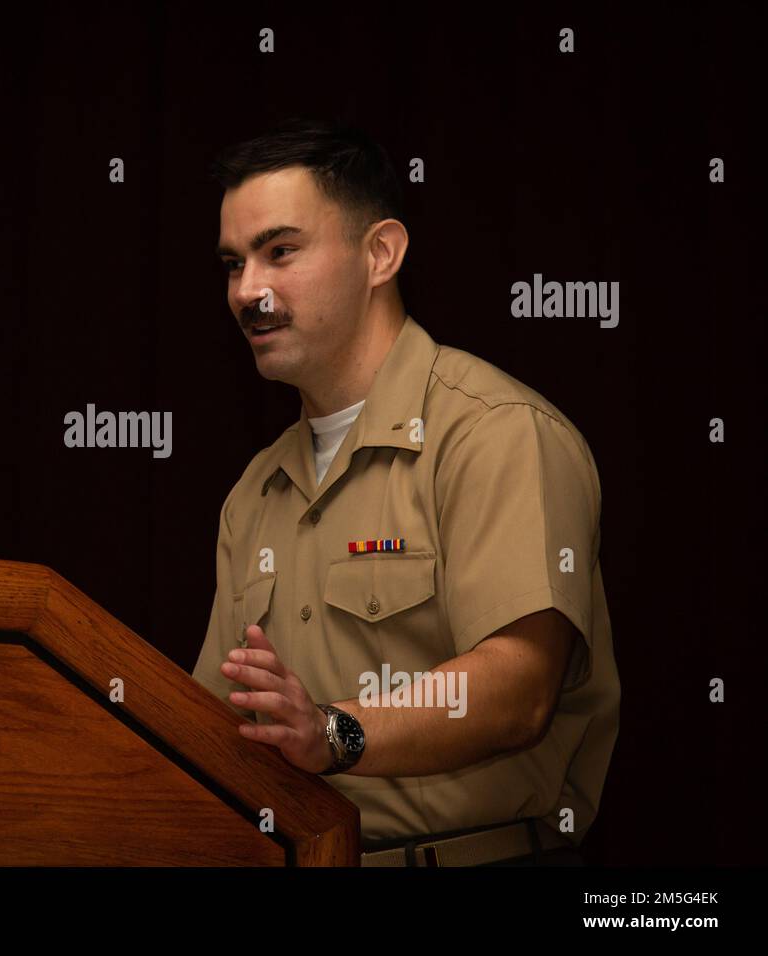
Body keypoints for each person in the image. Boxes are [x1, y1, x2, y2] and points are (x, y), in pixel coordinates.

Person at [191, 117, 620, 867]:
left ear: (380, 253)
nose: (247, 291)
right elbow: (209, 728)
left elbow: (518, 689)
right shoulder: (254, 491)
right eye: (233, 264)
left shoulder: (496, 433)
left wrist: (333, 732)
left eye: (280, 252)